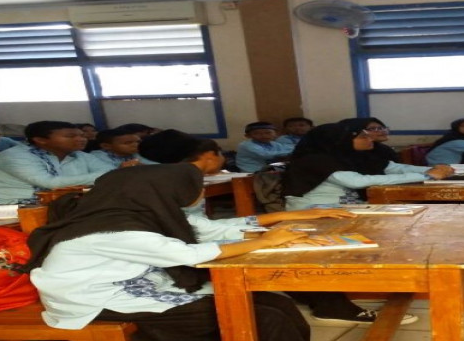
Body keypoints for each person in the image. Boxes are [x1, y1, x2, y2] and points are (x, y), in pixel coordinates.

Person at [25, 160, 356, 341]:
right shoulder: (115, 229)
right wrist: (265, 241)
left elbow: (212, 230)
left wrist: (283, 223)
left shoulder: (139, 211)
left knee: (273, 301)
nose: (199, 192)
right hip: (100, 300)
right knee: (256, 316)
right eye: (193, 187)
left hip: (138, 285)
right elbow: (189, 254)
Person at [139, 129, 420, 326]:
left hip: (191, 240)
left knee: (292, 240)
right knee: (293, 248)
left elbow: (199, 226)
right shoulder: (175, 182)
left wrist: (276, 221)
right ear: (210, 155)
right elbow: (198, 230)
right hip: (176, 254)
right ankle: (331, 304)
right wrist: (263, 233)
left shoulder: (167, 178)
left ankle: (329, 302)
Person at [283, 122, 452, 210]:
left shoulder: (348, 155)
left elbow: (392, 167)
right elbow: (357, 182)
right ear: (340, 140)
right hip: (316, 209)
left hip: (347, 205)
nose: (370, 139)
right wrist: (426, 175)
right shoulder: (315, 159)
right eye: (363, 137)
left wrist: (436, 170)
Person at [0, 121, 115, 205]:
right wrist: (108, 175)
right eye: (71, 136)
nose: (81, 139)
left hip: (55, 204)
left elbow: (114, 172)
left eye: (82, 136)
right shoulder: (16, 156)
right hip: (6, 207)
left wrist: (111, 174)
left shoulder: (79, 155)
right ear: (41, 140)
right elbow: (50, 183)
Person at [89, 128, 156, 169]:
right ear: (106, 146)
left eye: (138, 142)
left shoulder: (138, 153)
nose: (136, 145)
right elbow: (104, 172)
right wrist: (119, 169)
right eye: (128, 143)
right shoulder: (97, 157)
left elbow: (155, 166)